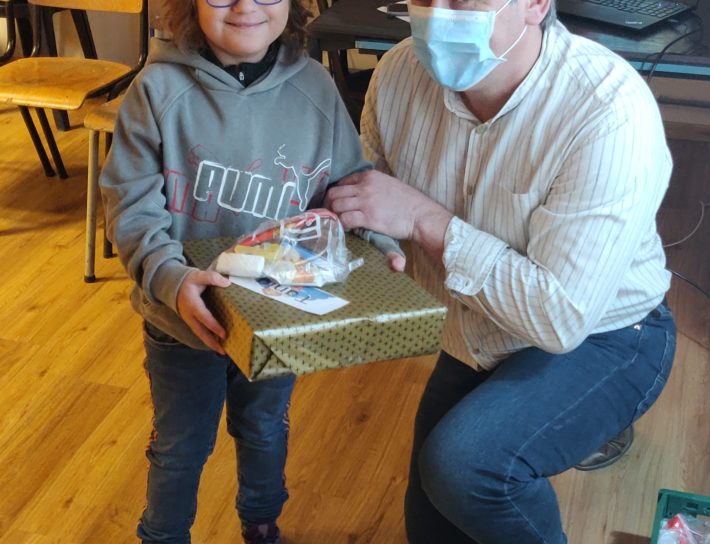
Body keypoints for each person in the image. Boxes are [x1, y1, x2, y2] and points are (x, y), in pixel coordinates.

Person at [325, 0, 677, 542]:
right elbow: (375, 214)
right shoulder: (396, 76)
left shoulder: (608, 108)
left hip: (610, 333)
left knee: (465, 468)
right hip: (478, 331)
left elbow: (560, 318)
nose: (438, 15)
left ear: (536, 5)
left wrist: (425, 219)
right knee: (431, 523)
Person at [99, 0, 399, 542]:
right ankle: (163, 534)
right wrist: (169, 278)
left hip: (276, 317)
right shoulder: (157, 90)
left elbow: (347, 184)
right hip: (183, 325)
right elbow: (132, 208)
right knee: (180, 444)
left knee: (264, 429)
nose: (245, 6)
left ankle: (261, 522)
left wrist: (378, 244)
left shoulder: (316, 88)